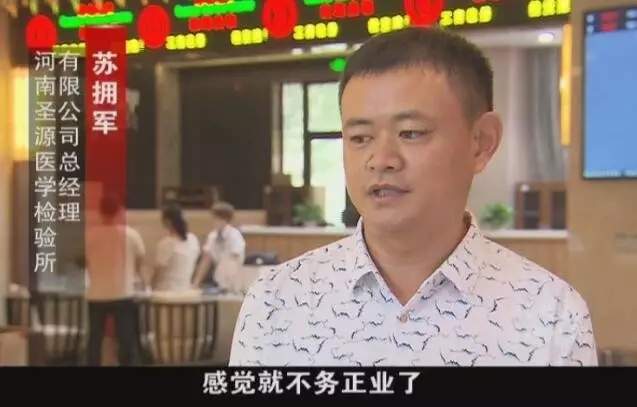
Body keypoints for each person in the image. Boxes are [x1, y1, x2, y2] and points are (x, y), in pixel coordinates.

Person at [229, 27, 597, 366]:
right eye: (360, 138)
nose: (381, 160)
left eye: (410, 133)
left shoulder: (550, 316)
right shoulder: (276, 302)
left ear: (481, 142)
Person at [85, 193, 147, 366]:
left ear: (100, 212)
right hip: (124, 292)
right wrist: (145, 284)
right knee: (125, 337)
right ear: (120, 212)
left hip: (96, 293)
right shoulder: (131, 235)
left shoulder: (89, 235)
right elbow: (141, 263)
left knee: (95, 337)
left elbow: (86, 264)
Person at [192, 201, 246, 292]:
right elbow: (206, 261)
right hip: (219, 281)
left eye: (216, 219)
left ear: (224, 219)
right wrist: (196, 283)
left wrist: (234, 285)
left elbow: (234, 261)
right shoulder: (212, 236)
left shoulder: (234, 235)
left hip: (234, 282)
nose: (213, 221)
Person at [153, 204, 201, 292]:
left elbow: (160, 273)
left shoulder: (166, 244)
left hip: (167, 291)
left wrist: (151, 288)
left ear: (167, 222)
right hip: (186, 289)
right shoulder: (193, 239)